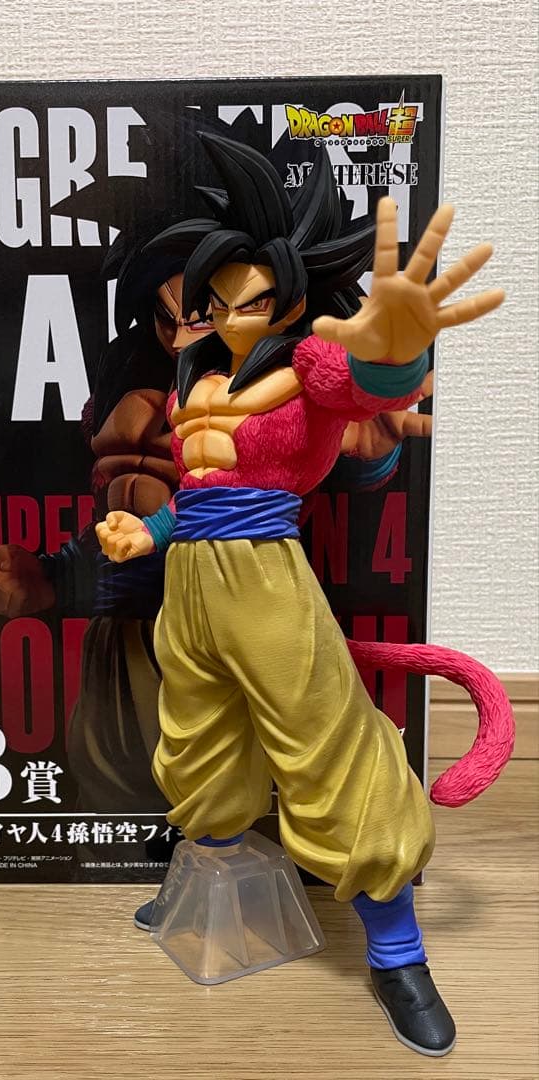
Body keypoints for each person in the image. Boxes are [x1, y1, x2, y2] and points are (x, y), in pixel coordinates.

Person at [95, 132, 507, 1057]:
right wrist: (146, 533)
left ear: (286, 295)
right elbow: (198, 493)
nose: (216, 315)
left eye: (241, 298)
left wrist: (394, 348)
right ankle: (199, 875)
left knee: (329, 746)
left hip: (267, 580)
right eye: (205, 301)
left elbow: (366, 379)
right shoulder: (193, 373)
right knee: (195, 733)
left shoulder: (309, 363)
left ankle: (395, 951)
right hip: (190, 586)